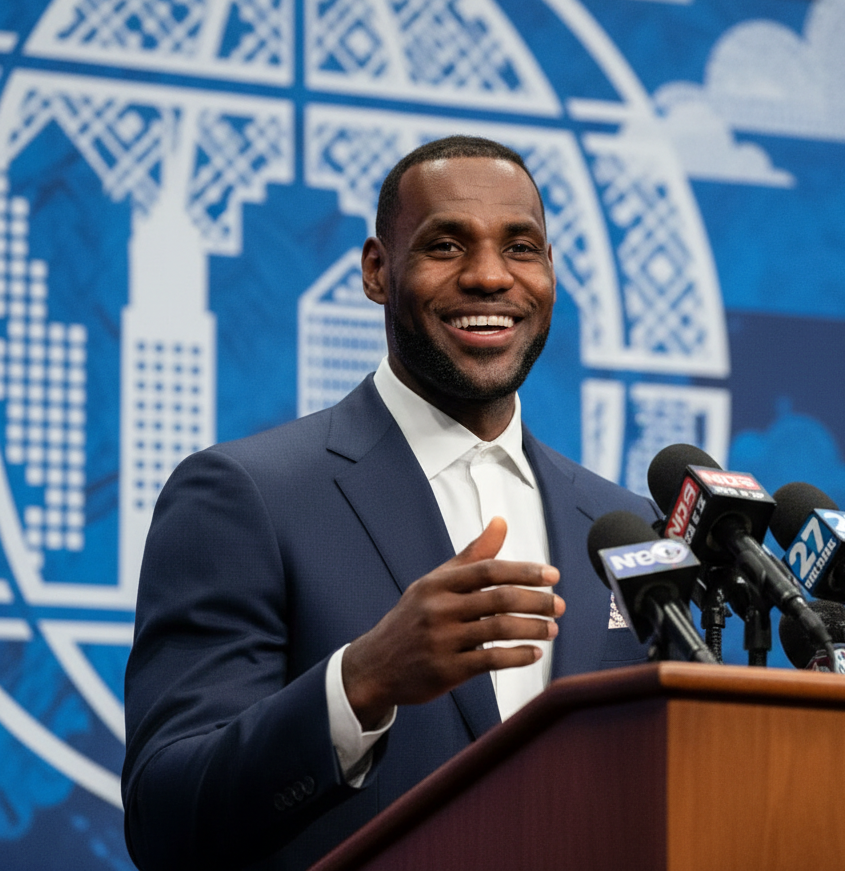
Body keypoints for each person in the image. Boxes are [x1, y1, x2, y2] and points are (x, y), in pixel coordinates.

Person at [122, 136, 657, 871]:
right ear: (378, 270)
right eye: (445, 245)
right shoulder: (243, 496)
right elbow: (166, 818)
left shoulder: (624, 527)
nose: (490, 276)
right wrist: (360, 681)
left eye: (522, 247)